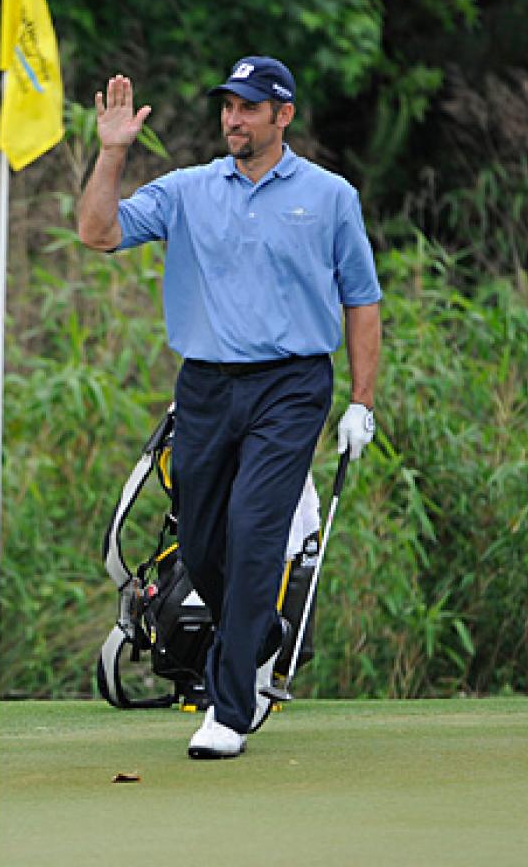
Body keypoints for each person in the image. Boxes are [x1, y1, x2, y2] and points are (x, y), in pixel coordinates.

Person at [76, 56, 381, 759]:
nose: (233, 119)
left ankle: (229, 704)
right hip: (206, 387)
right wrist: (111, 152)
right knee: (204, 539)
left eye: (248, 107)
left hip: (292, 385)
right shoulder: (187, 191)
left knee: (253, 531)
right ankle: (261, 633)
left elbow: (361, 300)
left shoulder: (329, 196)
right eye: (228, 106)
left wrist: (361, 402)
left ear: (283, 116)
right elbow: (98, 232)